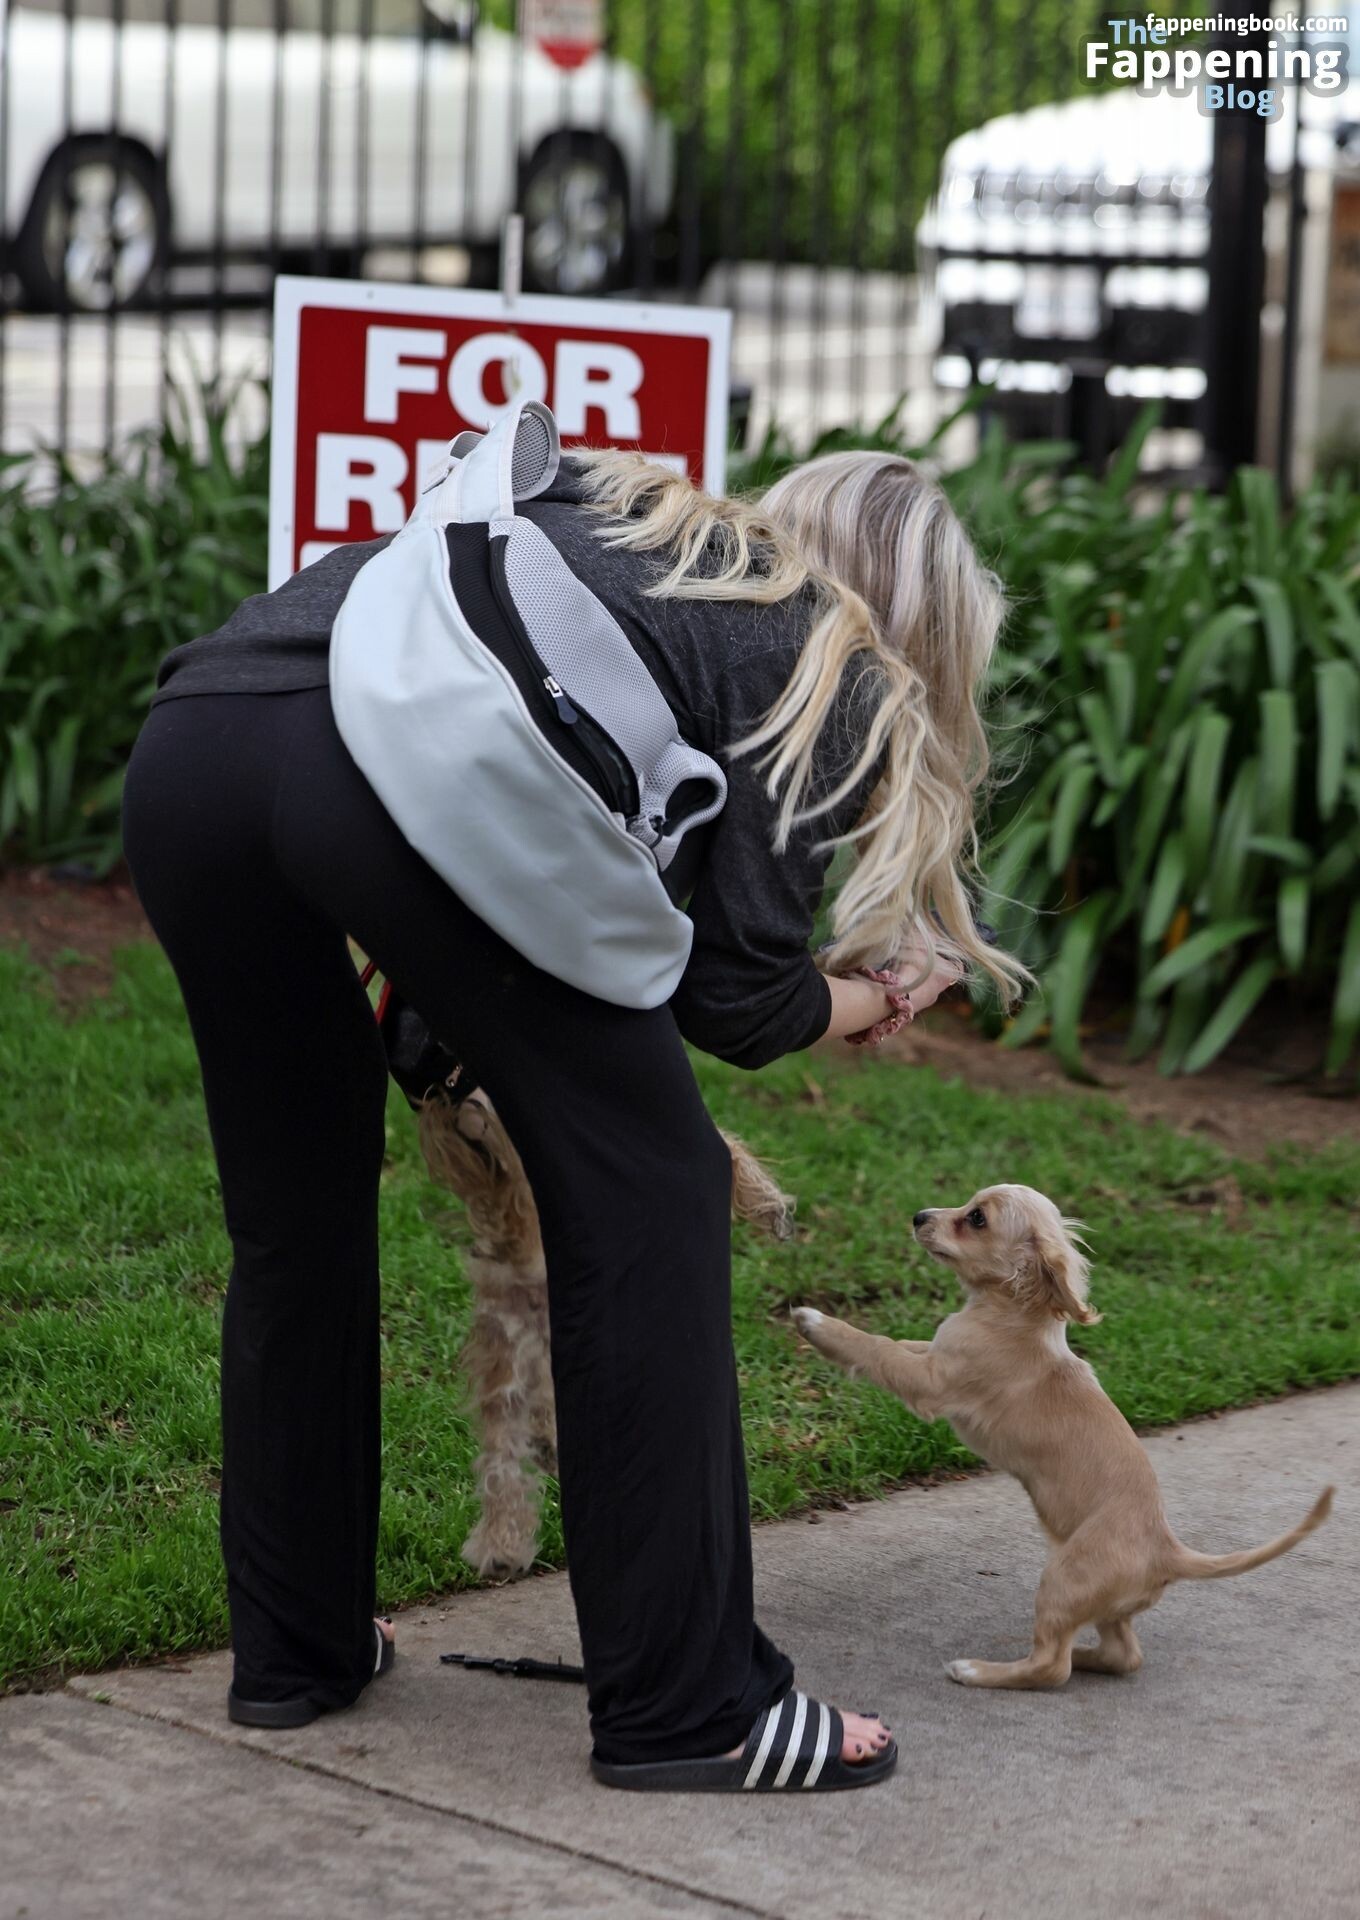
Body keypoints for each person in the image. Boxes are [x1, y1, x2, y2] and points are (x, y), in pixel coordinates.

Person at [120, 442, 1026, 1793]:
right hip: (386, 766)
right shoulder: (821, 645)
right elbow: (738, 1002)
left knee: (296, 1219)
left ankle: (296, 1650)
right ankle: (692, 1710)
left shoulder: (638, 534)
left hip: (201, 738)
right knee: (654, 1190)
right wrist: (881, 994)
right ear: (921, 629)